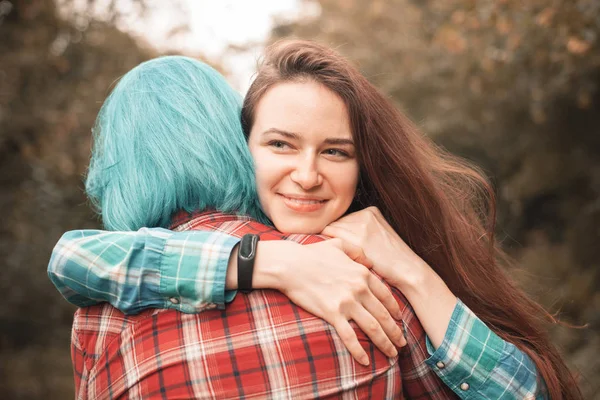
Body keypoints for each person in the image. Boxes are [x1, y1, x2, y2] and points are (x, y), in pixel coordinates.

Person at [48, 40, 582, 399]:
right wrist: (270, 262)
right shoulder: (362, 285)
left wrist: (415, 273)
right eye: (281, 144)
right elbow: (72, 257)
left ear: (362, 168)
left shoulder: (103, 315)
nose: (306, 175)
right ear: (239, 148)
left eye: (336, 152)